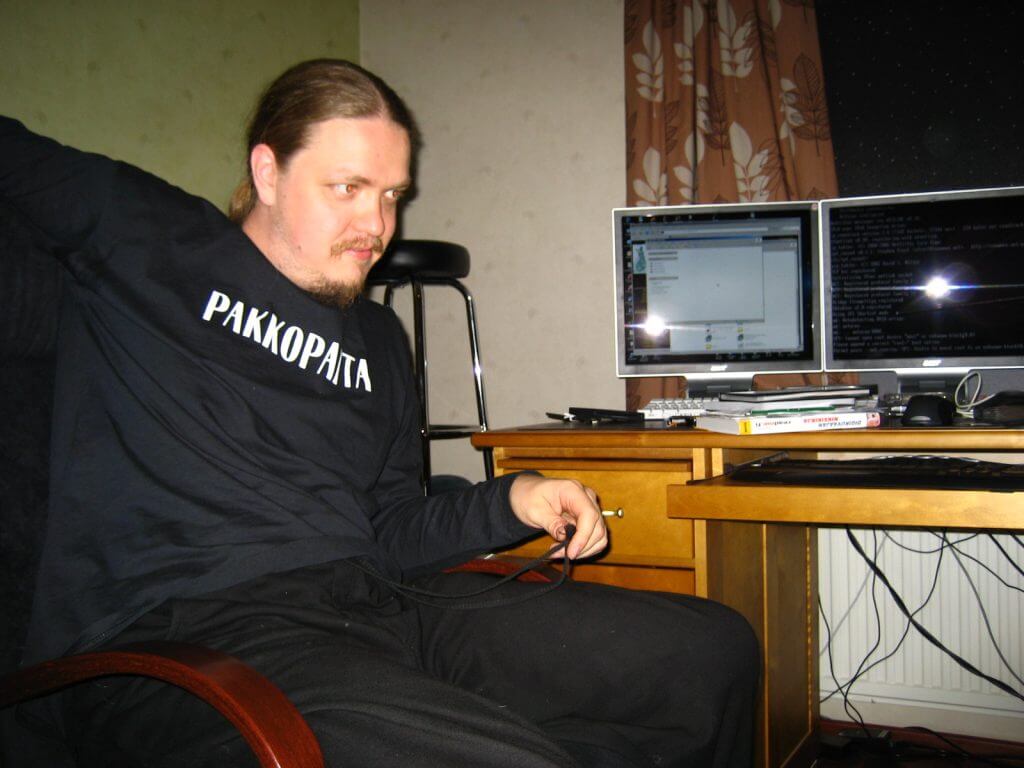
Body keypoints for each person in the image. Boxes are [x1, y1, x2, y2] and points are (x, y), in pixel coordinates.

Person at [1, 59, 757, 767]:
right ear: (267, 172)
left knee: (708, 652)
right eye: (349, 188)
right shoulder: (151, 239)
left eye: (392, 194)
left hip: (377, 605)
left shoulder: (377, 338)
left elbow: (390, 529)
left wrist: (513, 498)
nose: (378, 225)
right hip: (195, 635)